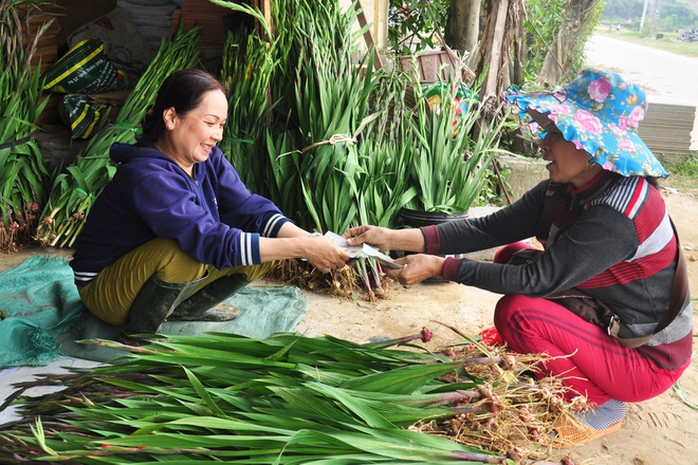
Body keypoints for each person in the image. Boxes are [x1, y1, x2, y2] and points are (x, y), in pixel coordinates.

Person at [343, 68, 692, 447]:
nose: (543, 142)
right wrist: (392, 236)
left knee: (518, 312)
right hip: (610, 318)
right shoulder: (568, 189)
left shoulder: (617, 216)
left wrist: (443, 267)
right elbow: (486, 230)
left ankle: (600, 405)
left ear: (591, 147)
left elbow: (536, 281)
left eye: (556, 133)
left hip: (645, 362)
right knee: (511, 254)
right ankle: (567, 361)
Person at [70, 69, 350, 345]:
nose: (217, 135)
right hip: (104, 288)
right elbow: (206, 239)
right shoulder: (149, 176)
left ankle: (180, 310)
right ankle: (139, 335)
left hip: (144, 275)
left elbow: (250, 209)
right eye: (210, 122)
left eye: (221, 125)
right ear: (171, 118)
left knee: (268, 243)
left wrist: (311, 241)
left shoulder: (206, 159)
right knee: (182, 252)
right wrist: (302, 250)